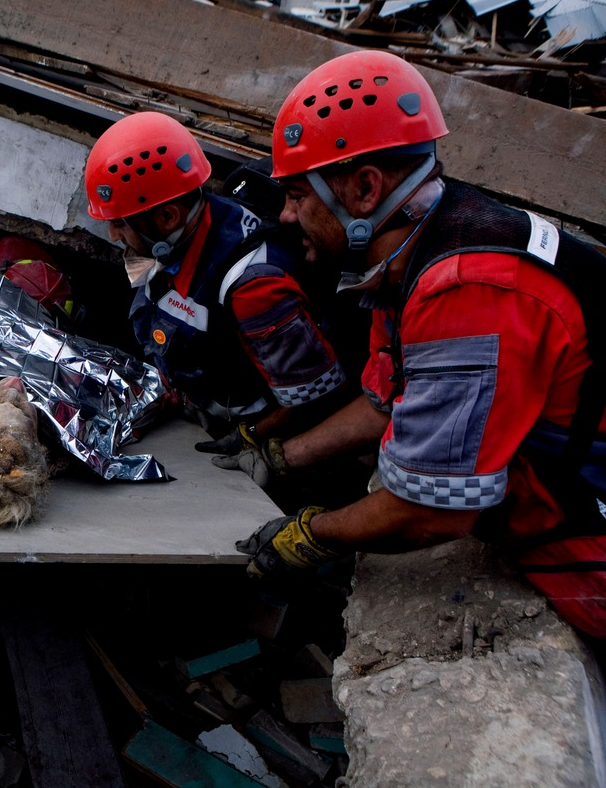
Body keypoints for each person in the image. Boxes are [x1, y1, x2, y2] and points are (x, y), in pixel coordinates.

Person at [233, 50, 606, 640]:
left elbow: (433, 508)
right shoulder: (417, 254)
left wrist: (312, 534)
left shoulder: (464, 287)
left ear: (362, 188)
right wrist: (284, 454)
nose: (284, 215)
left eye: (297, 195)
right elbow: (386, 397)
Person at [83, 111, 353, 454]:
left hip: (262, 424)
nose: (112, 233)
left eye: (120, 223)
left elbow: (317, 395)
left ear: (167, 217)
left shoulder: (254, 288)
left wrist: (251, 436)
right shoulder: (185, 237)